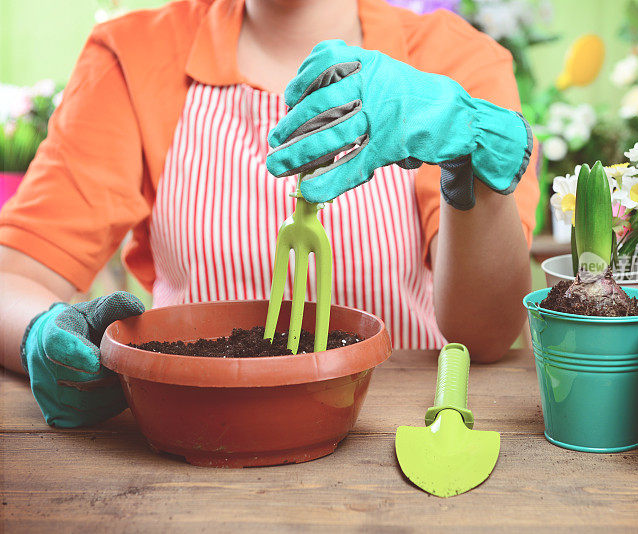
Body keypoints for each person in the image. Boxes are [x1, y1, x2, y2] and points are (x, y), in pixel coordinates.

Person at [0, 0, 538, 428]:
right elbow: (11, 277)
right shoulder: (134, 55)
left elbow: (485, 334)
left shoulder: (451, 61)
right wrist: (41, 333)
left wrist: (469, 150)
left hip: (406, 432)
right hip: (195, 434)